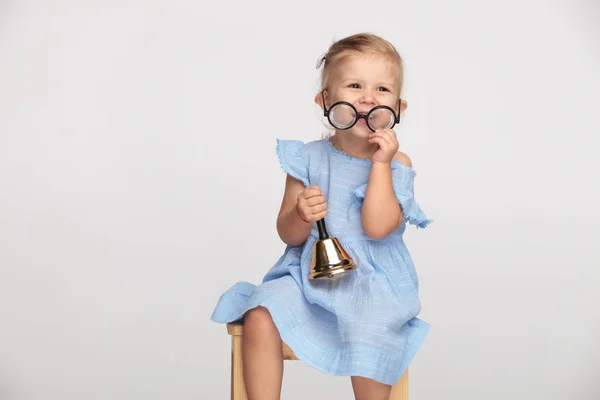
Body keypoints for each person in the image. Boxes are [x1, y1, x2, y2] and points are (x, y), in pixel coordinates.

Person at [211, 32, 433, 400]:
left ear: (399, 108)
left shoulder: (397, 165)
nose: (367, 98)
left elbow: (377, 228)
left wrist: (380, 164)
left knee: (372, 331)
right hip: (307, 277)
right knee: (262, 314)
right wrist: (300, 215)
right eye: (355, 85)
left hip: (371, 284)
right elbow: (289, 235)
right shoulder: (308, 159)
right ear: (326, 100)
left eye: (382, 90)